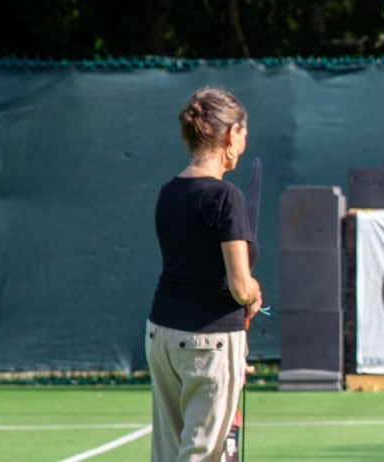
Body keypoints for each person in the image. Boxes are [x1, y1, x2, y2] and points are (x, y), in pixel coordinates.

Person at [148, 87, 261, 462]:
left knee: (168, 451)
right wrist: (254, 294)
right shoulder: (226, 197)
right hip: (207, 342)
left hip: (161, 334)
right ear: (231, 135)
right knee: (203, 454)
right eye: (243, 133)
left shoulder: (168, 192)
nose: (244, 144)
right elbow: (240, 285)